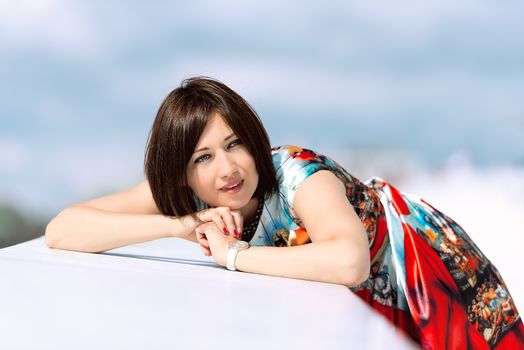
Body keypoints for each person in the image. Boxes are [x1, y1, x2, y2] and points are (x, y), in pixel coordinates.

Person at [45, 76, 523, 349]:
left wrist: (234, 256)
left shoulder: (296, 173)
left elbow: (348, 260)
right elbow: (63, 229)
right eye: (203, 157)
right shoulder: (188, 196)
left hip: (424, 268)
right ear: (182, 171)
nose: (227, 169)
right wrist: (181, 226)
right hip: (371, 301)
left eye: (234, 144)